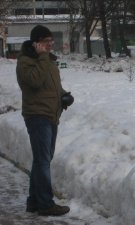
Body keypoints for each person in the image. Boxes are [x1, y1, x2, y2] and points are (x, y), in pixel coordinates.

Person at [16, 25, 74, 216]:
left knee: (43, 160)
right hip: (37, 116)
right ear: (36, 43)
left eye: (51, 41)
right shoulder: (25, 62)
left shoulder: (47, 61)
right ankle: (45, 204)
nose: (51, 45)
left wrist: (64, 95)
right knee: (42, 161)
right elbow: (35, 81)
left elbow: (51, 86)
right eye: (46, 41)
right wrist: (42, 57)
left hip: (50, 114)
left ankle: (34, 201)